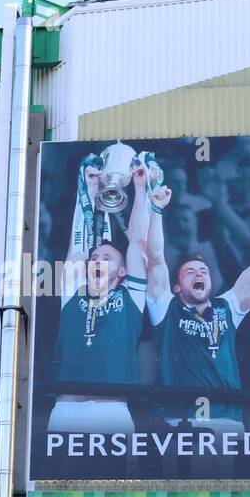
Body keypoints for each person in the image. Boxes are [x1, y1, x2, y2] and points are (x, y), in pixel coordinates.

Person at [144, 180, 250, 433]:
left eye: (204, 271)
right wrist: (156, 210)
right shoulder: (165, 308)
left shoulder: (227, 307)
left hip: (225, 420)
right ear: (176, 287)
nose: (199, 274)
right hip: (176, 421)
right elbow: (156, 258)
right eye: (191, 271)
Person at [47, 143, 152, 435]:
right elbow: (78, 249)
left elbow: (138, 244)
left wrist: (141, 189)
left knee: (116, 482)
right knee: (53, 482)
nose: (97, 260)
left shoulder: (131, 297)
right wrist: (90, 190)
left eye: (106, 258)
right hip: (66, 409)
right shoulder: (73, 294)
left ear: (122, 272)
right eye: (95, 257)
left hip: (112, 410)